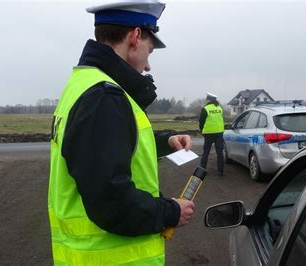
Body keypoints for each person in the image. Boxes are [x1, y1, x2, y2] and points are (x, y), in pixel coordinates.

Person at [47, 1, 195, 265]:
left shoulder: (85, 84)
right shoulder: (105, 96)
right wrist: (170, 212)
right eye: (150, 51)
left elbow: (105, 150)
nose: (148, 66)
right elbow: (111, 202)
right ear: (135, 37)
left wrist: (165, 142)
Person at [199, 93, 225, 175]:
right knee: (220, 152)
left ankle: (202, 169)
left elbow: (201, 121)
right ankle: (220, 171)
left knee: (206, 152)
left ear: (209, 100)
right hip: (219, 133)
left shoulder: (205, 108)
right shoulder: (220, 108)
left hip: (209, 134)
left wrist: (201, 130)